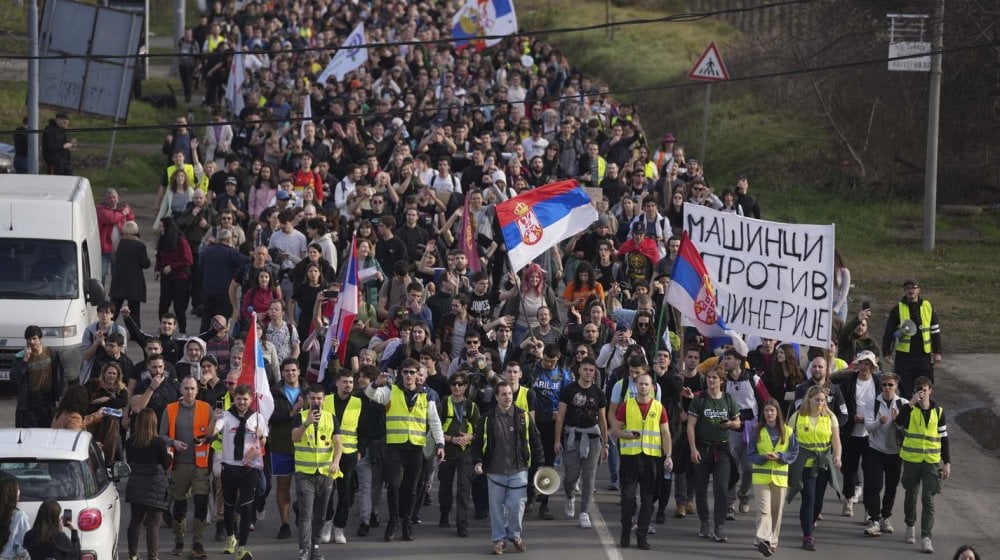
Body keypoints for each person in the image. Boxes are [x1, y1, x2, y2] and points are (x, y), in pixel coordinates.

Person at [364, 359, 445, 542]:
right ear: (401, 373)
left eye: (412, 372)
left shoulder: (426, 395)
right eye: (405, 372)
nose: (408, 376)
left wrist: (440, 444)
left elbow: (434, 421)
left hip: (416, 447)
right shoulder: (391, 391)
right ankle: (393, 522)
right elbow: (370, 394)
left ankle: (406, 523)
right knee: (393, 485)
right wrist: (376, 383)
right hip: (395, 446)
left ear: (418, 375)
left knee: (412, 488)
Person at [471, 380, 544, 556]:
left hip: (518, 469)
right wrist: (478, 461)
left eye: (510, 393)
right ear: (496, 397)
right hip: (494, 472)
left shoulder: (522, 416)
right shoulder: (487, 418)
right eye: (503, 394)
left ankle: (515, 535)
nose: (507, 397)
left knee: (517, 505)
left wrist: (540, 464)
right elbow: (477, 444)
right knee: (496, 508)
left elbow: (535, 440)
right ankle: (499, 540)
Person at [612, 372, 670, 550]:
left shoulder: (659, 407)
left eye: (647, 384)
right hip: (630, 458)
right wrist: (625, 435)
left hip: (651, 459)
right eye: (640, 384)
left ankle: (642, 535)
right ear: (635, 386)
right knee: (628, 498)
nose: (644, 387)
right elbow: (616, 430)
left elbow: (665, 433)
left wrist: (668, 456)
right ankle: (625, 531)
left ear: (652, 387)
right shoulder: (625, 406)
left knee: (648, 500)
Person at [895, 376, 950, 554]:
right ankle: (910, 525)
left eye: (924, 390)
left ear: (930, 391)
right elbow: (899, 422)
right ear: (914, 391)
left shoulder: (939, 412)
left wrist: (947, 462)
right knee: (910, 496)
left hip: (932, 462)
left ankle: (926, 537)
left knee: (928, 499)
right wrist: (910, 403)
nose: (922, 393)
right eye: (919, 389)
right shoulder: (909, 409)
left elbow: (944, 439)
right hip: (912, 460)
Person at [686, 365, 740, 543]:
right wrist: (693, 449)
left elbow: (737, 422)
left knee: (722, 488)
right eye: (708, 377)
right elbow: (691, 426)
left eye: (714, 378)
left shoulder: (728, 399)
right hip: (702, 448)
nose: (710, 380)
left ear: (721, 381)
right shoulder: (699, 400)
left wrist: (729, 425)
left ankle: (719, 526)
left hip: (722, 449)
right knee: (700, 487)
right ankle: (704, 522)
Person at [161, 377, 214, 558]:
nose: (189, 392)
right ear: (180, 390)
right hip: (179, 464)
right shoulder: (170, 409)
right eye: (186, 389)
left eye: (192, 389)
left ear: (197, 390)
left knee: (201, 502)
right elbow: (162, 435)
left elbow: (214, 434)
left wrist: (206, 439)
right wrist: (173, 442)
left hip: (200, 465)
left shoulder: (206, 408)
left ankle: (198, 542)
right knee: (180, 504)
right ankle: (179, 540)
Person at [214, 384, 268, 560]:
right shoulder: (226, 415)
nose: (242, 402)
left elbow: (264, 442)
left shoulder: (257, 418)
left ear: (250, 399)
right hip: (229, 467)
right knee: (229, 506)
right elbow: (214, 430)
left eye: (245, 399)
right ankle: (230, 536)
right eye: (239, 399)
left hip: (248, 469)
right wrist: (213, 424)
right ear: (234, 398)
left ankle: (242, 547)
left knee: (245, 508)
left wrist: (260, 436)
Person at [554, 357, 608, 529]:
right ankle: (570, 496)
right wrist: (557, 440)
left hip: (592, 439)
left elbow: (603, 419)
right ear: (579, 370)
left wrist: (605, 443)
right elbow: (560, 416)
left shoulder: (598, 393)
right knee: (571, 476)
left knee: (589, 478)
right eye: (585, 369)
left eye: (591, 370)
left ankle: (584, 512)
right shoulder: (569, 390)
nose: (588, 373)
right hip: (572, 437)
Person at [787, 385, 843, 551]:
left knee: (818, 501)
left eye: (822, 400)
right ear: (809, 400)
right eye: (817, 399)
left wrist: (837, 456)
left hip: (822, 463)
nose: (820, 402)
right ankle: (808, 536)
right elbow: (788, 439)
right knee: (808, 499)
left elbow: (836, 440)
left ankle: (811, 521)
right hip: (804, 464)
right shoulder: (797, 417)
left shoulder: (830, 417)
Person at [292, 384, 343, 560]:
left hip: (325, 473)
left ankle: (315, 547)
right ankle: (304, 549)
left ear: (324, 400)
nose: (316, 401)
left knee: (320, 515)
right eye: (312, 398)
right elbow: (294, 438)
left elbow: (338, 443)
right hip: (304, 473)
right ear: (307, 399)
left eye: (319, 398)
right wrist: (306, 423)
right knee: (306, 514)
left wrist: (336, 462)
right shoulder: (299, 417)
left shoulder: (331, 418)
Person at [747, 398, 798, 557]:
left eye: (772, 411)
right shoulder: (756, 430)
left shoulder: (787, 431)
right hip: (761, 478)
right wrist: (763, 458)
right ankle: (763, 540)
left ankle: (772, 541)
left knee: (776, 512)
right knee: (763, 511)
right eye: (766, 410)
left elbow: (794, 452)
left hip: (780, 477)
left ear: (777, 413)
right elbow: (751, 454)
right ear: (763, 413)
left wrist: (781, 456)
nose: (769, 413)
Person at [319, 370, 363, 545]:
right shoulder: (327, 400)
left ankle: (339, 527)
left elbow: (364, 428)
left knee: (345, 492)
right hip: (327, 452)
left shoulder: (358, 403)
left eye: (351, 382)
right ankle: (327, 524)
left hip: (350, 454)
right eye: (345, 382)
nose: (348, 385)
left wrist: (362, 449)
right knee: (327, 491)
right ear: (337, 383)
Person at [862, 372, 907, 537]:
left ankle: (885, 517)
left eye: (891, 385)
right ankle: (874, 519)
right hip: (876, 449)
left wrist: (897, 423)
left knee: (891, 487)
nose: (887, 388)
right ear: (880, 386)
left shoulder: (904, 404)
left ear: (896, 386)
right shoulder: (872, 403)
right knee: (875, 485)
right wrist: (879, 423)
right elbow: (868, 427)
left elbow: (907, 430)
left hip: (895, 452)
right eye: (884, 385)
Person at [436, 370, 481, 537]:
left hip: (465, 453)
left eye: (460, 384)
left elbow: (480, 431)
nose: (456, 387)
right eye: (453, 383)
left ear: (466, 387)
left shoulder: (472, 406)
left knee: (463, 487)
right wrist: (451, 439)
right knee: (445, 485)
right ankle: (444, 513)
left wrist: (470, 437)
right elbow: (435, 428)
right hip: (447, 451)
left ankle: (462, 524)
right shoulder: (443, 403)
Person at [125, 408, 172, 560]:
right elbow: (165, 464)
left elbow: (129, 462)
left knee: (135, 521)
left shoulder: (130, 442)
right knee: (153, 523)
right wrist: (170, 455)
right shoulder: (159, 443)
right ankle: (152, 556)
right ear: (154, 423)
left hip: (136, 486)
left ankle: (133, 554)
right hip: (155, 487)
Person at [882, 279, 942, 398]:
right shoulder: (897, 309)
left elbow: (935, 330)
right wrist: (886, 352)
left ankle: (922, 410)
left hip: (923, 355)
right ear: (904, 291)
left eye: (913, 288)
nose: (910, 291)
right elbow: (889, 332)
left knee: (924, 386)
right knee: (905, 389)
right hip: (904, 357)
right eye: (907, 288)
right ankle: (908, 413)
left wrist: (937, 352)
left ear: (918, 290)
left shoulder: (927, 306)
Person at [11, 325, 67, 428]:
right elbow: (14, 377)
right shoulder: (20, 357)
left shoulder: (51, 354)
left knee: (48, 431)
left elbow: (62, 376)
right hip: (30, 402)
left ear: (40, 339)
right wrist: (25, 360)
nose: (31, 342)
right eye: (29, 339)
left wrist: (61, 396)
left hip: (47, 400)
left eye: (34, 338)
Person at [156, 216, 195, 334]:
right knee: (163, 303)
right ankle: (163, 327)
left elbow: (188, 260)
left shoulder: (181, 240)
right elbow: (159, 256)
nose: (160, 228)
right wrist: (158, 269)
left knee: (179, 306)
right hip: (166, 277)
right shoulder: (162, 240)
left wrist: (172, 266)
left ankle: (182, 330)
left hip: (180, 277)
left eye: (162, 226)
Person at [109, 221, 151, 325]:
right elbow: (145, 264)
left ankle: (106, 328)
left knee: (114, 308)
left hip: (119, 280)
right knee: (134, 310)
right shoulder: (139, 245)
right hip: (134, 281)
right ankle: (135, 333)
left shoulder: (118, 243)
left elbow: (114, 259)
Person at [0, 479, 30, 560]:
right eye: (18, 489)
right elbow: (23, 548)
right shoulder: (19, 516)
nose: (19, 491)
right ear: (12, 494)